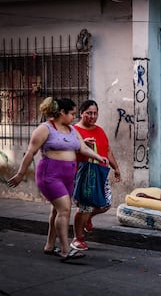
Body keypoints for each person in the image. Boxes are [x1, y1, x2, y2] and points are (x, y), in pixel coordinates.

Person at [7, 97, 108, 261]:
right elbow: (30, 152)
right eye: (72, 114)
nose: (74, 117)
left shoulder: (71, 130)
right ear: (62, 112)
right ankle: (65, 249)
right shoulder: (45, 128)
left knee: (56, 210)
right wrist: (20, 174)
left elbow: (82, 147)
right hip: (50, 175)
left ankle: (49, 245)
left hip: (68, 176)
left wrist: (98, 157)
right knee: (65, 210)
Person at [70, 100, 121, 251]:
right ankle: (77, 238)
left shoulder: (99, 130)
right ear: (81, 113)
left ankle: (88, 219)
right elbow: (66, 152)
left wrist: (116, 167)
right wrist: (82, 145)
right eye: (89, 113)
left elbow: (108, 150)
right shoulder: (74, 131)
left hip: (100, 172)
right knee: (85, 206)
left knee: (106, 203)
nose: (92, 116)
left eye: (95, 113)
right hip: (84, 173)